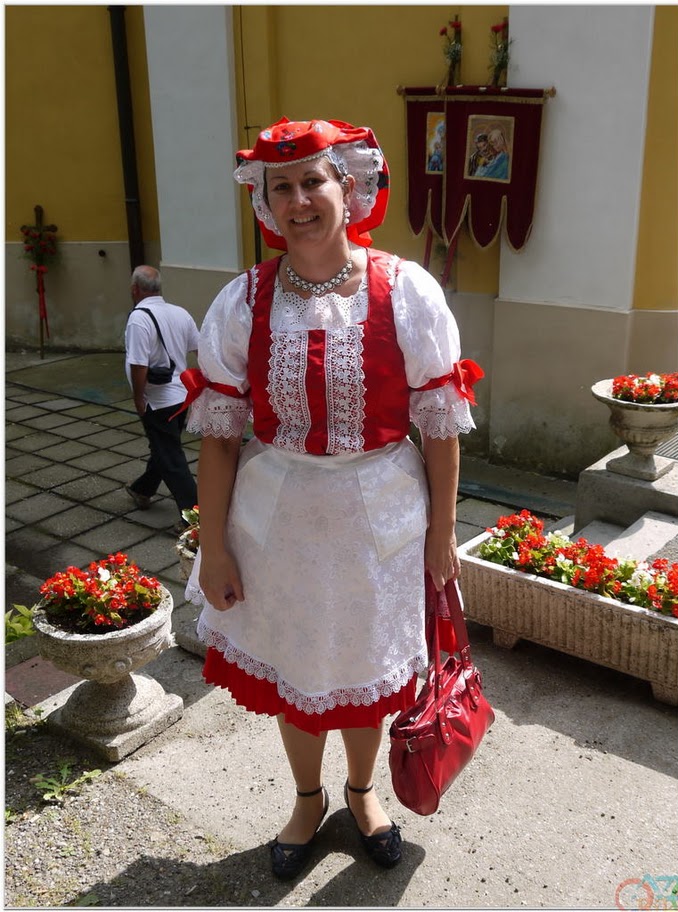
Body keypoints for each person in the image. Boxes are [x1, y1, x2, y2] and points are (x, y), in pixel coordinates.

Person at [181, 118, 482, 879]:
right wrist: (213, 543)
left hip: (379, 513)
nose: (298, 200)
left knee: (364, 665)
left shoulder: (404, 290)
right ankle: (308, 799)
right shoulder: (243, 301)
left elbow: (439, 424)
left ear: (349, 188)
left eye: (313, 181)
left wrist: (442, 533)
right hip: (274, 519)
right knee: (296, 667)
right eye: (280, 186)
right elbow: (219, 436)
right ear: (265, 202)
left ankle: (361, 791)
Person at [124, 265, 199, 527]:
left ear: (135, 289)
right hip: (182, 395)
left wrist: (138, 397)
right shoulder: (180, 313)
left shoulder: (139, 318)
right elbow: (199, 350)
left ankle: (195, 517)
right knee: (164, 449)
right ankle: (142, 489)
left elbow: (138, 364)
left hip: (158, 400)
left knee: (172, 459)